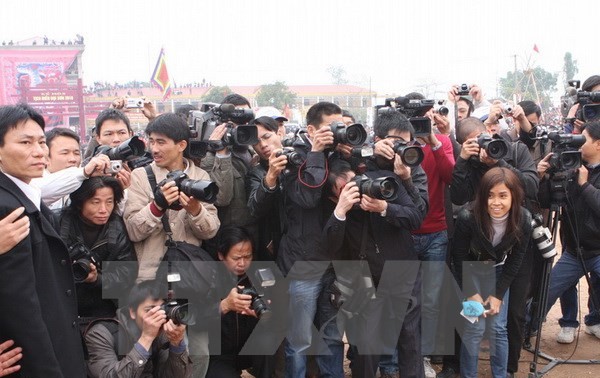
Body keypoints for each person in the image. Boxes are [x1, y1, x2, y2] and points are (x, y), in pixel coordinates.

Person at [124, 112, 220, 377]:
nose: (154, 148)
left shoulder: (200, 176)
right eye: (151, 141)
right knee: (155, 353)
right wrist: (157, 205)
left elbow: (210, 230)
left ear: (181, 145)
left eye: (162, 142)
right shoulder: (141, 177)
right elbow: (133, 230)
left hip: (192, 281)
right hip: (152, 280)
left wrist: (196, 209)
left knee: (198, 351)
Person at [0, 103, 86, 377]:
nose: (38, 151)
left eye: (40, 141)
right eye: (25, 142)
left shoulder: (28, 195)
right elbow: (22, 306)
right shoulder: (8, 210)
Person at [323, 159, 424, 378]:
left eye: (356, 182)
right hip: (366, 283)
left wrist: (385, 207)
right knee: (368, 347)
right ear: (334, 197)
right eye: (346, 189)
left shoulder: (386, 184)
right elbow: (330, 247)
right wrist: (341, 210)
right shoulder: (341, 213)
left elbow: (416, 217)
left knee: (410, 340)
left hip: (402, 272)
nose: (356, 189)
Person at [278, 102, 344, 378]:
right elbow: (307, 197)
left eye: (341, 126)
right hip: (303, 264)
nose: (337, 133)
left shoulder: (340, 154)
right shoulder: (293, 158)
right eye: (332, 128)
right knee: (300, 341)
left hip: (335, 262)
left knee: (332, 338)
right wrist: (316, 152)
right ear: (311, 130)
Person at [452, 167, 532, 378]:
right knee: (474, 326)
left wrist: (497, 295)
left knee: (498, 328)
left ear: (514, 196)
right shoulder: (467, 216)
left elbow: (516, 260)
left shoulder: (523, 219)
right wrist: (470, 293)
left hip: (499, 272)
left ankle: (501, 374)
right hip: (471, 272)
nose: (496, 202)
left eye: (503, 196)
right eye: (490, 195)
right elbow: (458, 257)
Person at [538, 120, 600, 340]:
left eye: (584, 139)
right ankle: (561, 324)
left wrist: (584, 185)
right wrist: (543, 177)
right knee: (553, 288)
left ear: (598, 145)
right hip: (573, 248)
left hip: (598, 249)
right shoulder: (570, 164)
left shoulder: (584, 175)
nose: (579, 144)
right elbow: (547, 201)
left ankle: (595, 320)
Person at [56, 176, 138, 321]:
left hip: (104, 309)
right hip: (63, 304)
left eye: (109, 202)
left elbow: (127, 275)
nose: (103, 210)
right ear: (80, 203)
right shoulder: (59, 223)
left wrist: (97, 279)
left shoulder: (117, 228)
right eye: (95, 202)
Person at [205, 226, 275, 378]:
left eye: (248, 257)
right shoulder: (207, 277)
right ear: (221, 255)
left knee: (269, 338)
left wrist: (264, 314)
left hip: (249, 348)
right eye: (236, 258)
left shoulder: (260, 275)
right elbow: (194, 319)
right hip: (218, 355)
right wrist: (224, 305)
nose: (242, 263)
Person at [85, 280, 192, 377]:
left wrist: (177, 344)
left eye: (161, 310)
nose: (157, 316)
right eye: (149, 310)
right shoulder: (100, 333)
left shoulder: (162, 331)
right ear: (132, 312)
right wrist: (146, 338)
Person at [32, 127, 113, 210]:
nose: (73, 159)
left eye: (76, 153)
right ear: (46, 158)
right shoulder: (33, 183)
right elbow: (42, 190)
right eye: (65, 153)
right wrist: (84, 172)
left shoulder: (82, 179)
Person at [246, 116, 287, 261]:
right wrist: (270, 177)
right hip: (275, 243)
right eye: (256, 142)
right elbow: (255, 209)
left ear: (279, 133)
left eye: (267, 136)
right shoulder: (256, 172)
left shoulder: (300, 159)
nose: (263, 145)